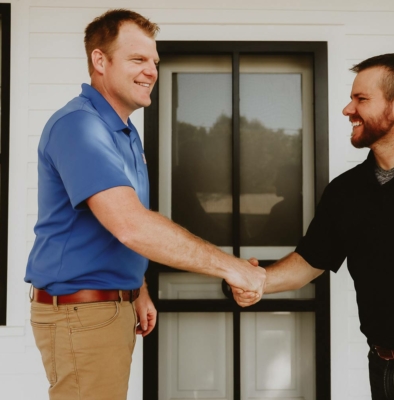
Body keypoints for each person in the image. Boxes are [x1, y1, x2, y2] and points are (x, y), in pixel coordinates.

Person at [24, 9, 265, 400]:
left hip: (106, 309)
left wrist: (137, 288)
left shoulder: (123, 132)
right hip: (82, 315)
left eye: (154, 61)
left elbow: (111, 229)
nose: (151, 70)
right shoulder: (79, 126)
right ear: (100, 61)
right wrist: (233, 268)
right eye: (137, 59)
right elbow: (130, 224)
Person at [234, 53, 394, 399]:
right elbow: (311, 261)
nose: (347, 109)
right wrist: (258, 282)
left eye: (361, 99)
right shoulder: (345, 191)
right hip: (383, 367)